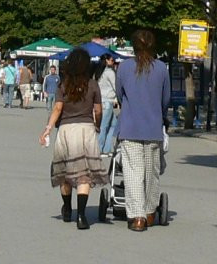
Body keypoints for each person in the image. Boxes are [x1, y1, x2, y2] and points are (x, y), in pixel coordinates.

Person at [41, 49, 104, 229]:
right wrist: (96, 124)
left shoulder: (63, 86)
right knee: (84, 174)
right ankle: (82, 216)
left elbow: (57, 109)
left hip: (66, 131)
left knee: (65, 174)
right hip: (86, 130)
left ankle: (67, 208)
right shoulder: (92, 85)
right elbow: (98, 110)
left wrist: (47, 129)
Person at [114, 28, 170, 232]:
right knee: (152, 172)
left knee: (133, 173)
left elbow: (120, 95)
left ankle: (137, 216)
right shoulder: (162, 68)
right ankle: (149, 211)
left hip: (130, 127)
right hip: (153, 127)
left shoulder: (124, 68)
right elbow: (165, 99)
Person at [97, 54, 119, 155]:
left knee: (113, 124)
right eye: (111, 60)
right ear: (107, 60)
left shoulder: (99, 72)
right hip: (107, 101)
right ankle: (99, 148)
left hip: (102, 100)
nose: (113, 61)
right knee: (104, 126)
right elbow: (116, 86)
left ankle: (106, 148)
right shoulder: (110, 72)